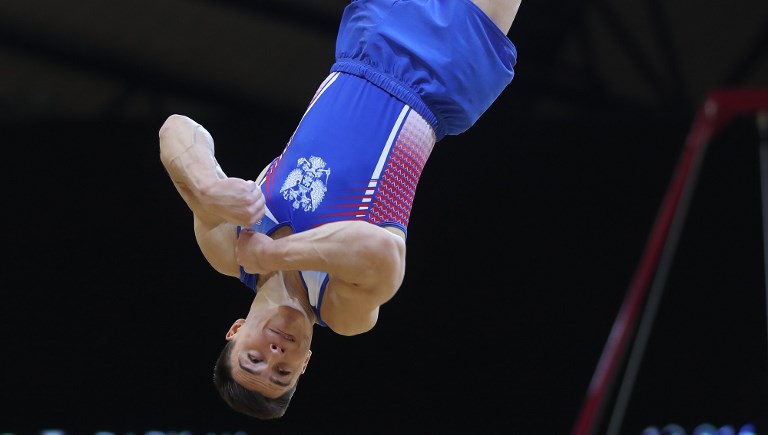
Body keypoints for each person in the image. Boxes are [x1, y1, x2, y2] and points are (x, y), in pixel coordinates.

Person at [159, 0, 522, 420]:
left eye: (254, 359)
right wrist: (275, 254)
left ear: (235, 332)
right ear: (305, 364)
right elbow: (383, 253)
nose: (275, 353)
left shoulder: (228, 249)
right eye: (282, 372)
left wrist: (207, 188)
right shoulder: (341, 309)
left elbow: (176, 128)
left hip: (366, 40)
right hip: (442, 71)